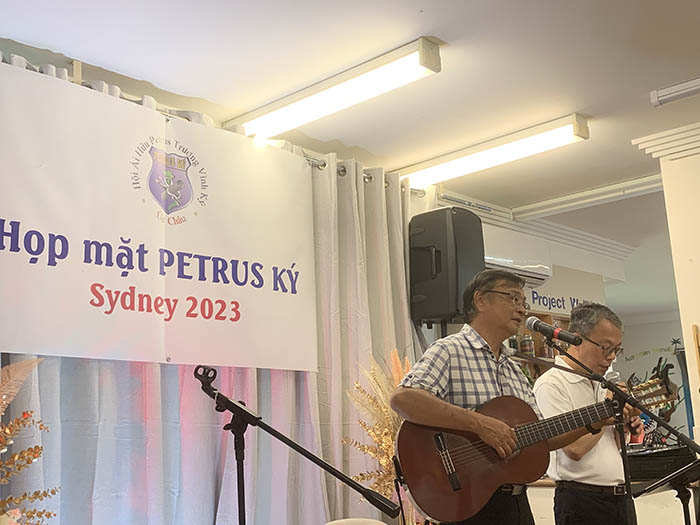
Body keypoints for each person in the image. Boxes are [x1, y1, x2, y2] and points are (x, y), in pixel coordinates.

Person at [390, 269, 609, 525]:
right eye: (513, 298)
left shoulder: (513, 368)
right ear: (481, 300)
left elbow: (542, 437)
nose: (522, 309)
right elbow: (403, 399)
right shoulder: (449, 350)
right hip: (466, 502)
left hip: (515, 504)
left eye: (523, 302)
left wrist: (596, 420)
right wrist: (480, 424)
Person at [533, 303, 643, 525]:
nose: (611, 357)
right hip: (581, 501)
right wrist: (606, 413)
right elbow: (574, 449)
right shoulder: (552, 383)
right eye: (605, 347)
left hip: (619, 497)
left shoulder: (602, 383)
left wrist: (623, 425)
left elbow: (612, 446)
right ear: (577, 339)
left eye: (617, 349)